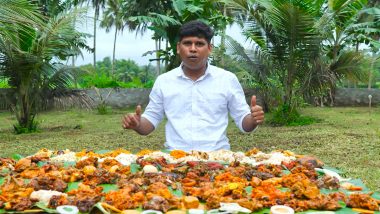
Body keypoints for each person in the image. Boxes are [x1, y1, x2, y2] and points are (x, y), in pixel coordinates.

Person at [122, 20, 264, 152]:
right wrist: (138, 124)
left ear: (209, 48)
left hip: (218, 159)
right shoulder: (164, 81)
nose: (193, 49)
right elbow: (150, 121)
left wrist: (253, 119)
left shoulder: (227, 80)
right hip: (175, 159)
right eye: (187, 43)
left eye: (199, 44)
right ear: (178, 48)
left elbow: (244, 122)